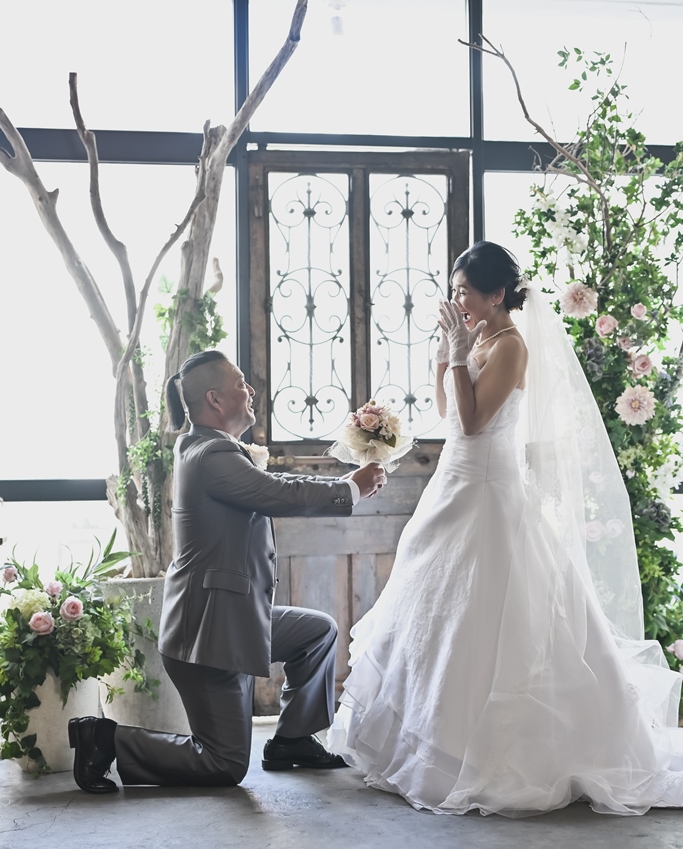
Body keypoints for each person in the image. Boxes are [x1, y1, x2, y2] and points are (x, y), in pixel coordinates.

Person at [328, 240, 683, 817]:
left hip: (490, 492)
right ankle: (423, 744)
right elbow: (447, 412)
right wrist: (446, 354)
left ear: (496, 294)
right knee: (437, 614)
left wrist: (458, 351)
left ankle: (493, 757)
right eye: (453, 288)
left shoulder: (512, 346)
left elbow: (473, 423)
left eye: (465, 290)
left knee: (492, 614)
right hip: (453, 486)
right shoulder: (478, 339)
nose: (456, 299)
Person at [69, 350, 385, 794]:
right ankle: (103, 738)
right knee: (224, 763)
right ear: (214, 399)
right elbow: (279, 493)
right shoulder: (210, 453)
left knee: (317, 632)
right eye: (240, 382)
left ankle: (293, 739)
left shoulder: (208, 447)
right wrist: (350, 488)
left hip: (233, 618)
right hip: (209, 635)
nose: (250, 389)